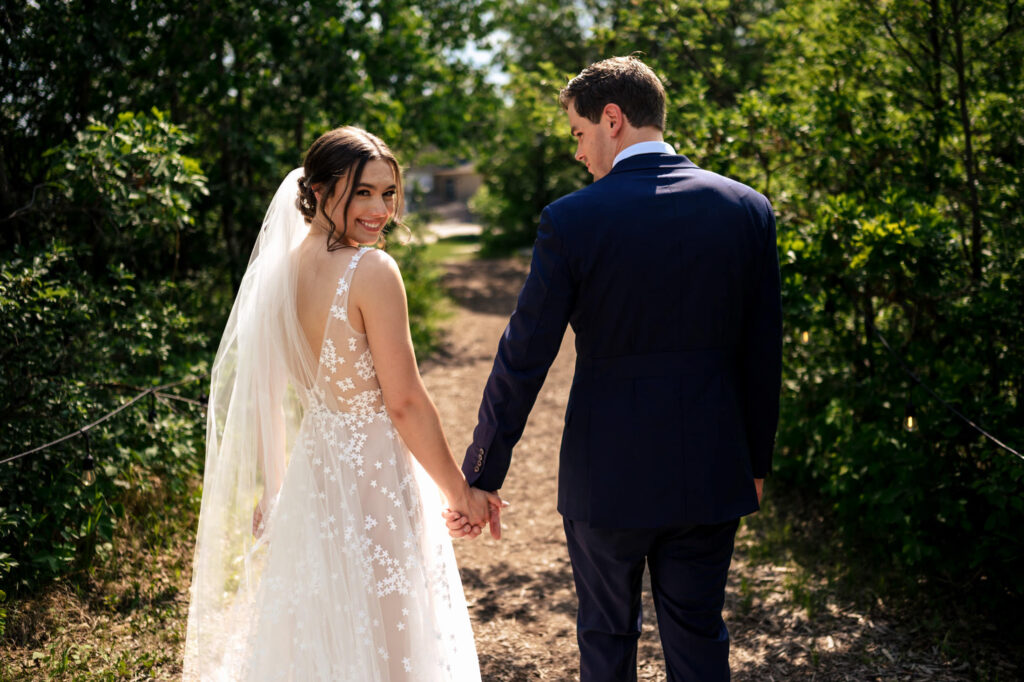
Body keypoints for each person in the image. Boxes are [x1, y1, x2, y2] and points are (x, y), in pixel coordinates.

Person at [445, 57, 782, 681]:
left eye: (578, 134)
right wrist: (754, 462)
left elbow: (525, 354)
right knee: (699, 635)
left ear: (612, 118)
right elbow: (764, 353)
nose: (579, 152)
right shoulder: (747, 208)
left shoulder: (573, 220)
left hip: (607, 473)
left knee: (605, 636)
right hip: (711, 465)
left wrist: (483, 472)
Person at [183, 126, 500, 681]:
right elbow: (403, 403)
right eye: (362, 192)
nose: (379, 209)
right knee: (391, 641)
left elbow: (264, 391)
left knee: (323, 635)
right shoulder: (371, 271)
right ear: (322, 191)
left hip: (313, 477)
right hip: (374, 478)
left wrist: (273, 486)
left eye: (388, 193)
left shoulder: (278, 273)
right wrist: (460, 493)